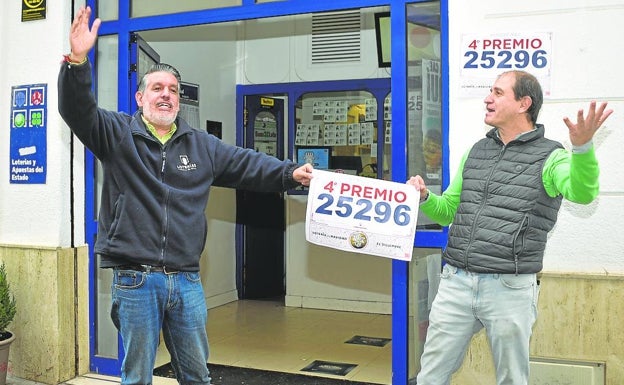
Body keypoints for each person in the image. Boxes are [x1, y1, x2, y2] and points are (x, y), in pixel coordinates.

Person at [58, 6, 314, 385]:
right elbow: (77, 111)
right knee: (137, 377)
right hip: (136, 279)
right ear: (140, 98)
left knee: (196, 375)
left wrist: (289, 172)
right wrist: (78, 62)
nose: (166, 96)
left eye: (173, 91)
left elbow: (247, 164)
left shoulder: (201, 146)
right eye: (157, 89)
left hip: (187, 281)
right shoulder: (117, 134)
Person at [407, 70, 613, 385]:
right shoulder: (476, 151)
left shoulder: (551, 156)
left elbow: (582, 194)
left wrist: (582, 150)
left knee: (511, 380)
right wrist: (424, 197)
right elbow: (448, 211)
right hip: (456, 283)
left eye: (498, 92)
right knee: (430, 377)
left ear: (523, 103)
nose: (488, 98)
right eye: (490, 91)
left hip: (509, 288)